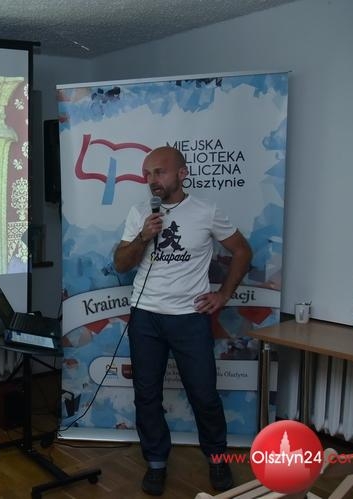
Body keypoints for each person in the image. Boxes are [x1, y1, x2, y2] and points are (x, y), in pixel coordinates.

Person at [114, 146, 252, 496]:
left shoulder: (206, 211)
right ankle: (156, 463)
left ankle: (217, 459)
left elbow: (242, 251)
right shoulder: (140, 213)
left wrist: (223, 295)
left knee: (203, 394)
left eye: (159, 172)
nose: (152, 180)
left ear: (182, 173)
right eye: (147, 174)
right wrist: (144, 236)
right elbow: (121, 264)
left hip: (189, 319)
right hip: (145, 316)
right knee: (146, 395)